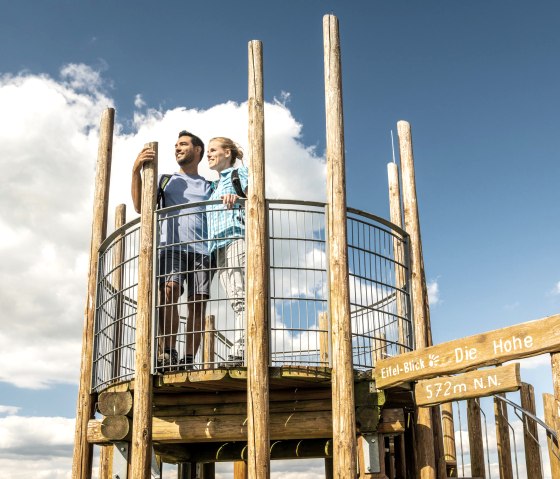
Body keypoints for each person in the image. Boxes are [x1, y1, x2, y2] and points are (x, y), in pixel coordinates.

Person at [131, 130, 211, 370]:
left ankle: (188, 359)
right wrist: (135, 170)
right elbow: (139, 207)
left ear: (197, 150)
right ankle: (168, 351)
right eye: (176, 145)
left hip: (202, 252)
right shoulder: (166, 180)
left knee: (197, 303)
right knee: (169, 291)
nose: (177, 148)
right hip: (171, 246)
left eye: (183, 144)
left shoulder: (209, 185)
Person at [206, 137, 248, 366]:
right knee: (235, 298)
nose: (208, 155)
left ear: (227, 153)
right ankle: (242, 347)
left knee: (241, 298)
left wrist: (239, 199)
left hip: (236, 239)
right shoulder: (213, 187)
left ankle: (241, 350)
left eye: (213, 150)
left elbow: (257, 201)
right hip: (218, 247)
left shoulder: (240, 175)